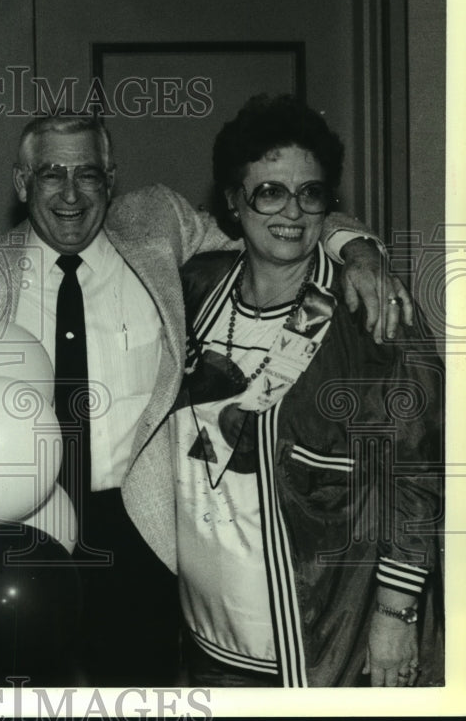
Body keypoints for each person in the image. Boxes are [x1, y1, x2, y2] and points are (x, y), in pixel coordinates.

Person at [0, 112, 412, 686]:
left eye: (90, 174)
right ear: (22, 184)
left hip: (139, 536)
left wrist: (359, 249)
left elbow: (279, 213)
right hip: (16, 531)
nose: (71, 193)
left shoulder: (157, 227)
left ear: (113, 180)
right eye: (52, 173)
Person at [156, 94, 443, 687]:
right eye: (269, 191)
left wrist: (396, 615)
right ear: (234, 202)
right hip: (199, 644)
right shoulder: (191, 291)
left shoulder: (370, 315)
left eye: (310, 192)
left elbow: (414, 475)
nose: (292, 210)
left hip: (320, 647)